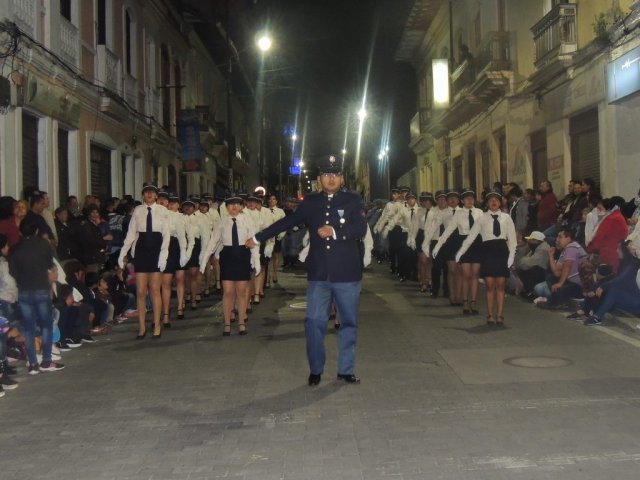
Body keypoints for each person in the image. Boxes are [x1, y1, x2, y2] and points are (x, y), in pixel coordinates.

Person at [247, 155, 367, 386]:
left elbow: (360, 227)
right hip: (319, 273)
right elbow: (286, 222)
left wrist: (335, 232)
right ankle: (316, 368)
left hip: (347, 272)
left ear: (341, 178)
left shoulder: (353, 200)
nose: (331, 179)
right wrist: (258, 237)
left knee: (348, 322)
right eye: (326, 175)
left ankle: (346, 369)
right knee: (313, 321)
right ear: (319, 179)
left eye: (335, 175)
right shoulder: (311, 202)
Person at [9, 221, 63, 374]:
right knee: (46, 325)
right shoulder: (43, 244)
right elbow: (49, 264)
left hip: (24, 291)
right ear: (36, 230)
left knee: (28, 328)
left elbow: (13, 272)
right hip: (41, 288)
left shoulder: (15, 249)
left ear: (20, 232)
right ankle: (46, 360)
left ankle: (32, 363)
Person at [200, 195, 259, 336]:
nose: (234, 207)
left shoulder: (247, 220)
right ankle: (227, 322)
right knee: (228, 292)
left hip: (242, 255)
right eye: (231, 204)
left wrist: (256, 260)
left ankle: (241, 322)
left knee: (242, 291)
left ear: (241, 206)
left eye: (237, 204)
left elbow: (254, 241)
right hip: (227, 256)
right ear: (226, 207)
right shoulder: (221, 222)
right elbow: (213, 241)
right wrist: (204, 259)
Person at [456, 191, 517, 325]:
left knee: (500, 285)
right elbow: (471, 237)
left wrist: (511, 256)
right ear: (487, 203)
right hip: (488, 251)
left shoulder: (506, 217)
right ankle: (490, 315)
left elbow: (512, 239)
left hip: (501, 251)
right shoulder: (482, 218)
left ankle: (500, 315)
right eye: (491, 200)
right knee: (490, 285)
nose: (494, 202)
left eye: (496, 200)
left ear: (500, 202)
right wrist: (460, 252)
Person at [118, 183, 170, 339]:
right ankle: (141, 327)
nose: (149, 195)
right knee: (140, 291)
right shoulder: (138, 211)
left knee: (155, 290)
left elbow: (166, 235)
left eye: (152, 193)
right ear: (143, 195)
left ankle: (157, 325)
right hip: (141, 251)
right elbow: (131, 234)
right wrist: (122, 254)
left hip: (156, 249)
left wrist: (163, 255)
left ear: (156, 196)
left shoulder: (162, 211)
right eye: (146, 192)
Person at [433, 189, 483, 315]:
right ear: (463, 201)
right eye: (467, 199)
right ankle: (461, 300)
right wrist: (438, 245)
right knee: (460, 272)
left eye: (472, 198)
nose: (470, 201)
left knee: (474, 274)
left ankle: (472, 302)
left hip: (476, 243)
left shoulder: (480, 212)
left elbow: (485, 228)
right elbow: (448, 230)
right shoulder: (457, 214)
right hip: (460, 242)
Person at [583, 241, 640, 325]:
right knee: (598, 284)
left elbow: (619, 280)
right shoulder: (624, 263)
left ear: (625, 250)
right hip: (628, 298)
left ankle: (597, 317)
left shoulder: (633, 266)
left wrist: (603, 287)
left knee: (613, 290)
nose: (617, 251)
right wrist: (599, 285)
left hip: (636, 302)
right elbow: (614, 278)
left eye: (619, 249)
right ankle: (583, 310)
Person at [533, 228, 586, 308]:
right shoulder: (565, 250)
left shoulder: (572, 247)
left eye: (560, 237)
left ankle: (554, 303)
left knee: (555, 288)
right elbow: (557, 273)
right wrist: (551, 256)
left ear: (568, 238)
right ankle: (557, 299)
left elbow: (567, 266)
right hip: (569, 281)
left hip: (579, 285)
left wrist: (560, 283)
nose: (557, 239)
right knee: (547, 281)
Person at [162, 193, 191, 324]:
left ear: (179, 205)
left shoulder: (183, 218)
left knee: (180, 279)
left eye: (174, 202)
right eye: (170, 202)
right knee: (166, 281)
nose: (172, 204)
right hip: (166, 246)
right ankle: (166, 312)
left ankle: (180, 307)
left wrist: (186, 253)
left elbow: (189, 236)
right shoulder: (163, 215)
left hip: (179, 246)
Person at [422, 191, 450, 298]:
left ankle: (446, 289)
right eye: (440, 199)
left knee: (447, 267)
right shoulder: (432, 212)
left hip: (447, 242)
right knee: (436, 267)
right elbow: (427, 229)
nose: (442, 201)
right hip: (435, 240)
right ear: (437, 200)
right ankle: (435, 289)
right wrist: (427, 244)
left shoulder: (451, 212)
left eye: (444, 199)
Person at [409, 192, 434, 293]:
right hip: (421, 235)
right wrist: (412, 238)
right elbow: (415, 225)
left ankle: (429, 280)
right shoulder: (418, 211)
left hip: (432, 236)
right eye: (422, 201)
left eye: (426, 200)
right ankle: (424, 282)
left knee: (430, 261)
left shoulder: (435, 211)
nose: (424, 203)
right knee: (423, 261)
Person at [513, 231, 550, 296]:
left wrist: (523, 260)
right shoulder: (537, 247)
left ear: (536, 241)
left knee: (534, 269)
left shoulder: (543, 249)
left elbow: (528, 263)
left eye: (531, 240)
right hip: (537, 271)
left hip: (543, 274)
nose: (529, 242)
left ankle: (530, 291)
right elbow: (524, 261)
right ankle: (524, 289)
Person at [266, 194, 286, 287]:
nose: (271, 201)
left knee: (276, 256)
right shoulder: (264, 210)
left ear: (276, 201)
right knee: (267, 257)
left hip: (277, 235)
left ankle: (275, 273)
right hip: (267, 237)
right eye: (270, 199)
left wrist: (281, 235)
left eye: (273, 199)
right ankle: (268, 275)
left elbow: (284, 224)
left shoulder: (280, 211)